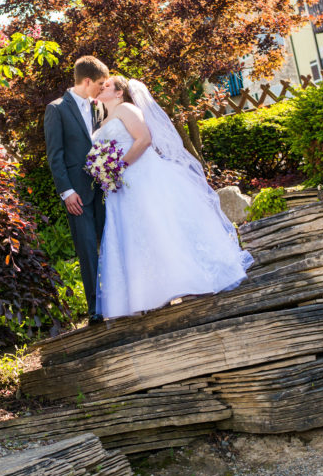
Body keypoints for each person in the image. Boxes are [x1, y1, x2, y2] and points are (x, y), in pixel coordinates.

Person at [92, 75, 253, 319]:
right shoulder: (102, 120)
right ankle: (152, 293)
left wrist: (119, 166)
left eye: (106, 85)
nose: (101, 88)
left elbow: (144, 139)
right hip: (121, 187)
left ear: (118, 93)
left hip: (142, 174)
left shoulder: (126, 108)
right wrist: (104, 170)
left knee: (161, 226)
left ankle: (191, 280)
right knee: (138, 234)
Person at [44, 55, 110, 324]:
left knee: (110, 245)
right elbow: (55, 156)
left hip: (103, 191)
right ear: (86, 81)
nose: (103, 88)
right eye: (100, 84)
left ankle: (117, 298)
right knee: (86, 250)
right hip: (77, 195)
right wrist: (66, 192)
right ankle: (96, 308)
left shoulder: (98, 108)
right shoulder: (56, 109)